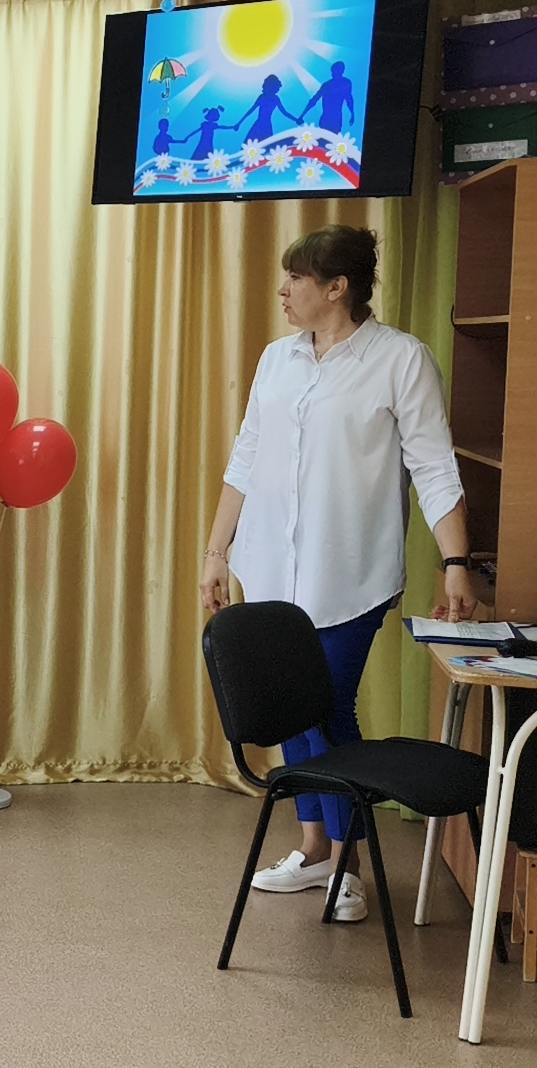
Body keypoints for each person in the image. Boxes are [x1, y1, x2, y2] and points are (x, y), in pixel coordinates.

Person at [201, 225, 474, 922]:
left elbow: (434, 467)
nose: (283, 291)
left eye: (296, 279)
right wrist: (216, 552)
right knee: (288, 710)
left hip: (349, 575)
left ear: (337, 288)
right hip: (269, 571)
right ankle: (314, 848)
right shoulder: (278, 359)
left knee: (326, 709)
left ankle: (349, 861)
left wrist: (456, 562)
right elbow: (245, 458)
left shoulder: (400, 360)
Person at [303, 62, 356, 135]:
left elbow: (349, 99)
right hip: (326, 119)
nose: (340, 71)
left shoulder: (346, 83)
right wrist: (302, 115)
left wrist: (352, 113)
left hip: (336, 120)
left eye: (341, 69)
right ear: (333, 71)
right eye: (337, 69)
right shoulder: (326, 85)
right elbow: (314, 100)